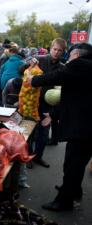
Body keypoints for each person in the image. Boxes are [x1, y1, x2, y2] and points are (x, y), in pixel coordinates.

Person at [28, 43, 92, 211]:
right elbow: (76, 97)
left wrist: (33, 80)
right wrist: (54, 115)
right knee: (78, 164)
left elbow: (56, 76)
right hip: (86, 127)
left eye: (69, 56)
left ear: (76, 55)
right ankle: (73, 191)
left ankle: (64, 202)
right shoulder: (87, 69)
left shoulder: (80, 65)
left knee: (72, 165)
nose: (68, 60)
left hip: (83, 129)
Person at [28, 38, 67, 168]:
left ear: (63, 52)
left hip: (48, 106)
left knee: (44, 135)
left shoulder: (63, 68)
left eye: (59, 50)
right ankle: (28, 158)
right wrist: (29, 63)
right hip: (33, 102)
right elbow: (21, 69)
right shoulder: (39, 59)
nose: (56, 52)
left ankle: (38, 157)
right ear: (50, 48)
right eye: (55, 49)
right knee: (31, 132)